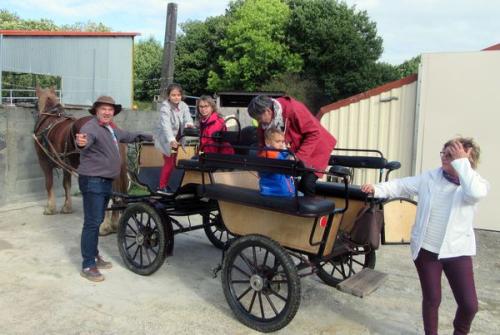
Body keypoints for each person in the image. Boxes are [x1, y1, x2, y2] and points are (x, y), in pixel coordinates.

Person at [361, 138, 489, 335]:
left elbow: (474, 194)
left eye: (451, 155)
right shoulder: (430, 178)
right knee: (432, 299)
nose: (445, 158)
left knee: (469, 305)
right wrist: (377, 188)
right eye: (444, 153)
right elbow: (401, 185)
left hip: (457, 251)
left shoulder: (474, 183)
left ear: (467, 160)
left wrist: (461, 163)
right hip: (427, 250)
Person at [75, 96, 153, 282]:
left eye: (110, 109)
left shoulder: (110, 129)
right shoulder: (90, 128)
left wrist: (150, 136)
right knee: (92, 223)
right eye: (104, 109)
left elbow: (128, 136)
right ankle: (88, 264)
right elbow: (83, 142)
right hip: (93, 180)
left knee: (98, 219)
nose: (107, 112)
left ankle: (94, 256)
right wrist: (81, 143)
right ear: (96, 111)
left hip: (104, 181)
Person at [247, 95, 336, 196]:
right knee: (289, 181)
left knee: (307, 184)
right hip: (297, 150)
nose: (258, 121)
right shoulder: (265, 123)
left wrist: (298, 157)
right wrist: (261, 165)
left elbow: (314, 133)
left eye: (258, 118)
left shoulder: (293, 108)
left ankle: (309, 210)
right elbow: (263, 143)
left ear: (268, 111)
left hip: (317, 148)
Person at [154, 83, 194, 195]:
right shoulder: (165, 107)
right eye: (173, 95)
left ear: (181, 95)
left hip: (177, 138)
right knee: (169, 162)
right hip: (166, 138)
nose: (176, 97)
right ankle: (161, 187)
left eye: (178, 95)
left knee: (173, 162)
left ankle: (165, 184)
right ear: (169, 96)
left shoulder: (183, 105)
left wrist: (189, 123)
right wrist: (171, 139)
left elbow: (187, 117)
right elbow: (166, 125)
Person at [258, 127, 296, 197]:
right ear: (267, 142)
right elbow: (284, 168)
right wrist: (288, 160)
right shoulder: (270, 153)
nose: (281, 144)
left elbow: (287, 174)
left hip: (283, 192)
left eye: (282, 141)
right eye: (278, 141)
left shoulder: (280, 154)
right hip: (276, 193)